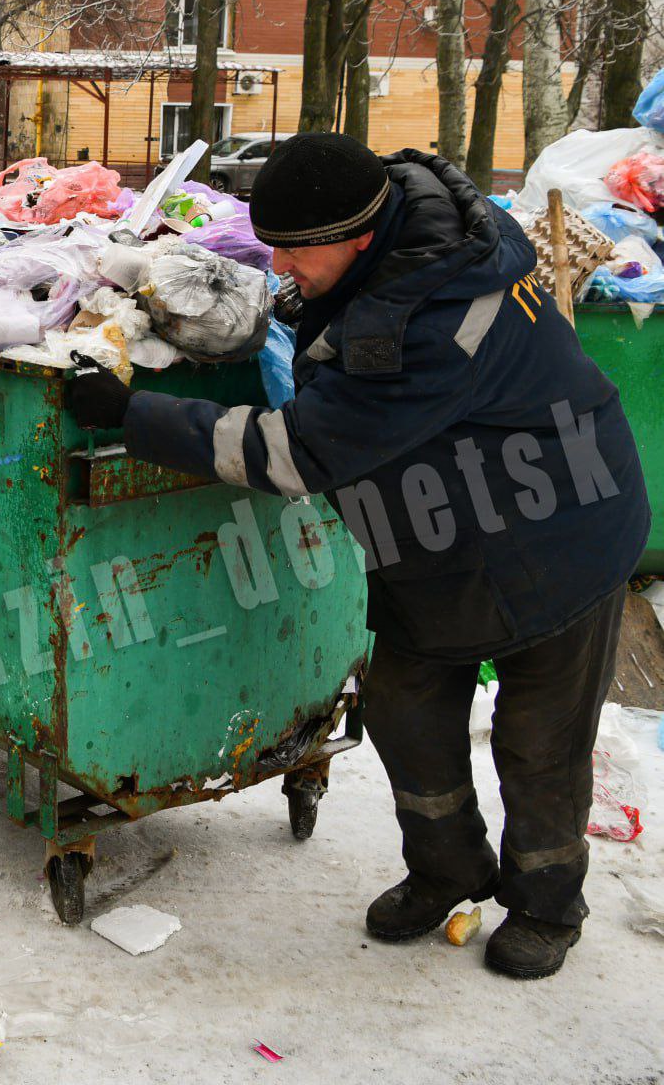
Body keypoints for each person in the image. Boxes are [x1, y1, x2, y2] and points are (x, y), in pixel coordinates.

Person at [69, 133, 649, 980]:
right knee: (406, 714)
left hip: (560, 533)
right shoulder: (434, 229)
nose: (278, 266)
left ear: (354, 237)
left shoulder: (430, 326)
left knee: (539, 741)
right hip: (437, 533)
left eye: (294, 252)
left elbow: (295, 456)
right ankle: (446, 868)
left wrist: (135, 416)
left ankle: (545, 904)